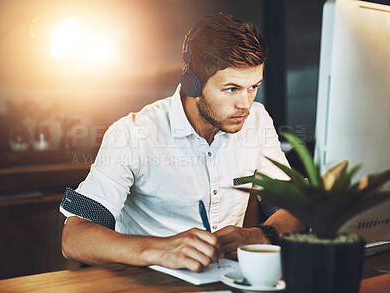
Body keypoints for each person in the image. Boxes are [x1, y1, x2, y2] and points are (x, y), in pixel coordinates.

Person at [60, 13, 304, 273]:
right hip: (147, 285)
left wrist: (263, 234)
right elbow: (74, 239)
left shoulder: (258, 121)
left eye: (253, 87)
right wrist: (160, 249)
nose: (245, 104)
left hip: (224, 282)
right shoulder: (133, 134)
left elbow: (297, 207)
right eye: (232, 89)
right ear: (193, 84)